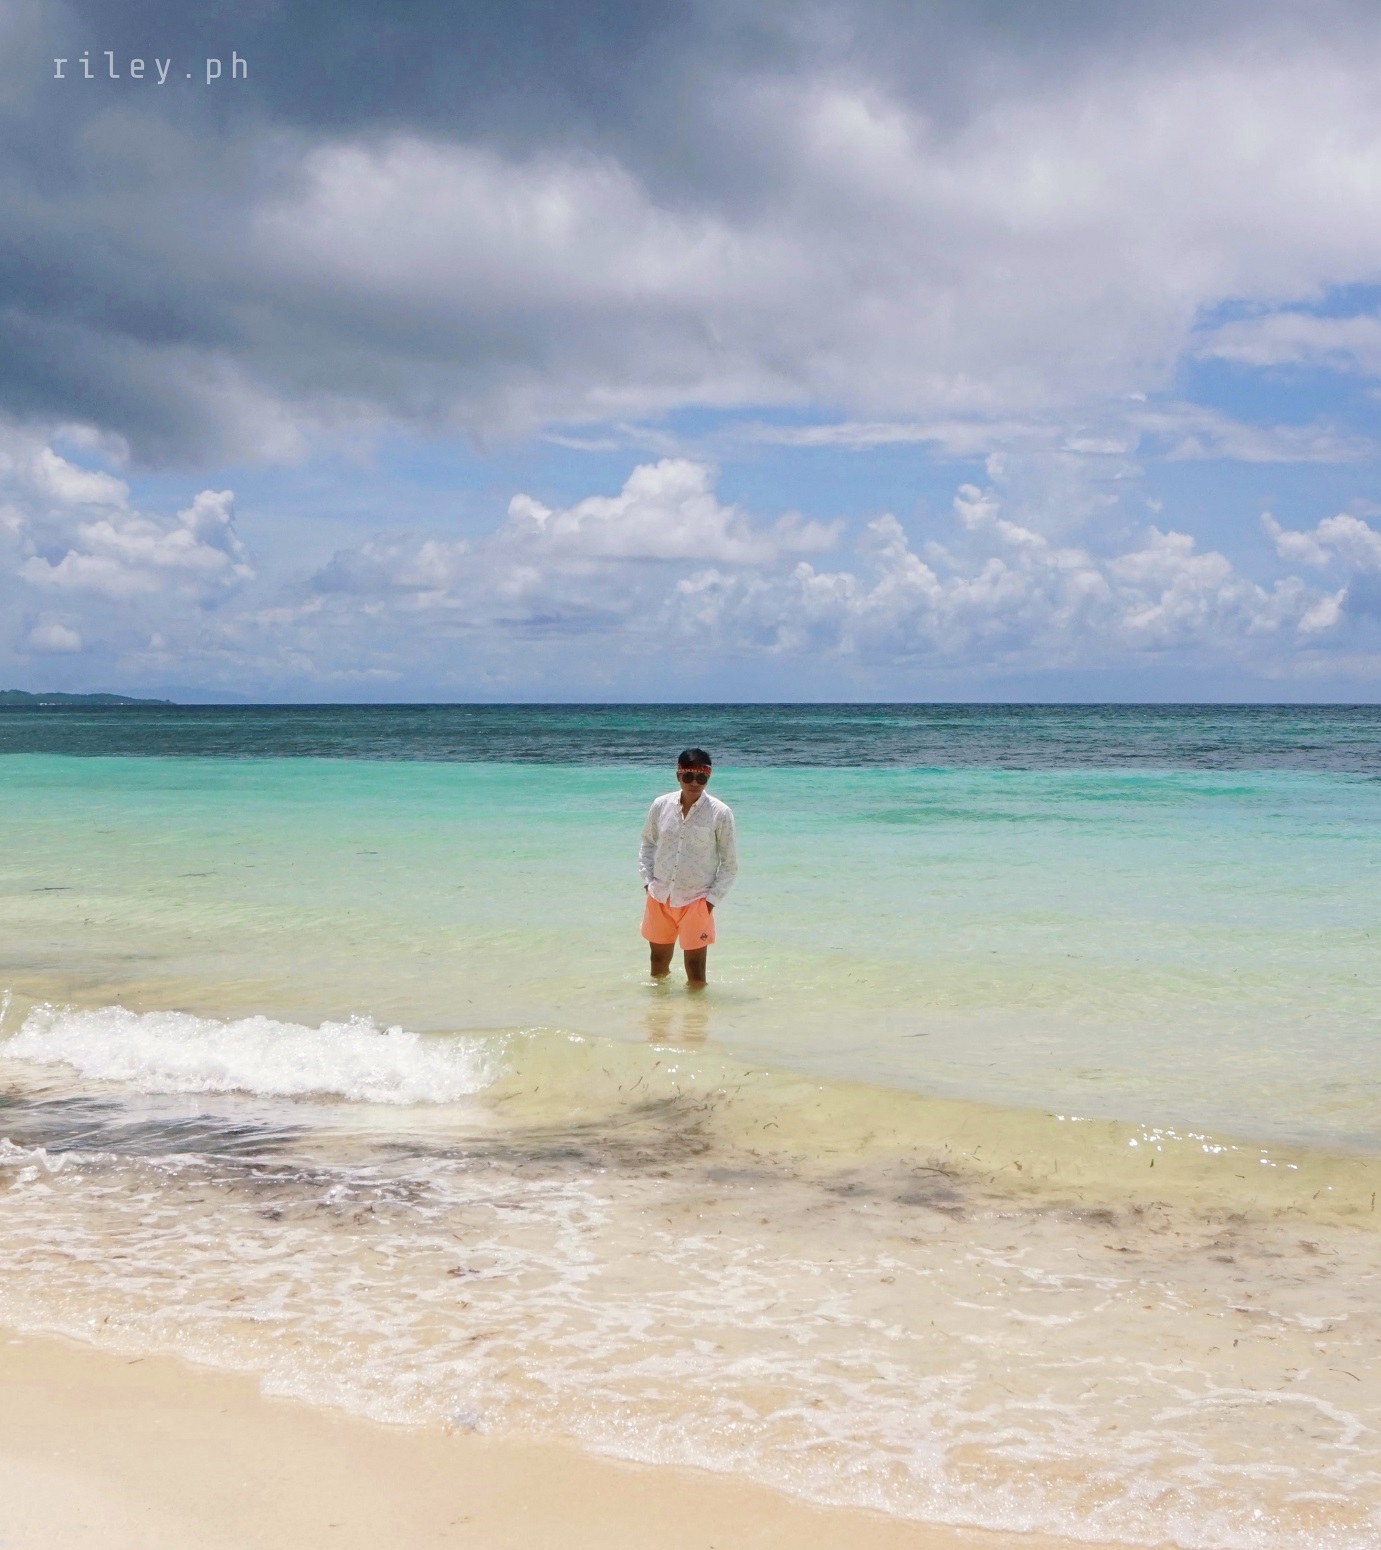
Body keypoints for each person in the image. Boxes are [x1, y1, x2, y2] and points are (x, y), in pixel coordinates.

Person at [638, 747, 738, 989]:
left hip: (696, 901)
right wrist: (647, 882)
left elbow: (730, 864)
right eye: (688, 777)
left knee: (695, 971)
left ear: (708, 778)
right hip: (659, 896)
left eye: (702, 778)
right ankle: (659, 1018)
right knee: (657, 963)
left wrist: (710, 902)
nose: (695, 783)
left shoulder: (720, 813)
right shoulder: (660, 805)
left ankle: (695, 1023)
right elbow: (647, 844)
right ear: (678, 776)